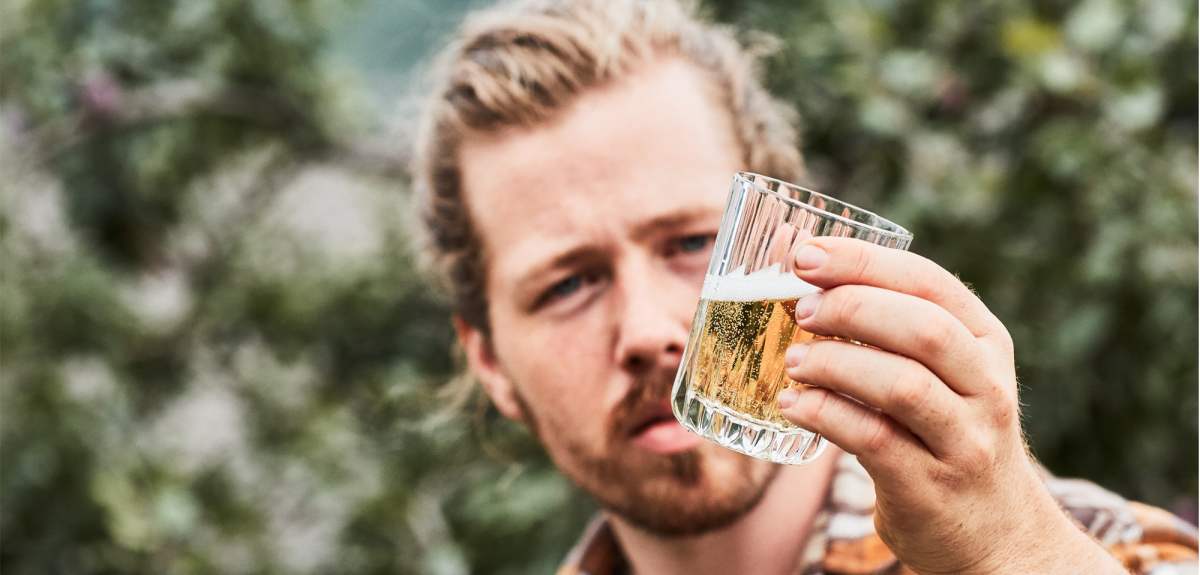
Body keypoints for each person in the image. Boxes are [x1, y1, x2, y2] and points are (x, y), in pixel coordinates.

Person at [408, 1, 1199, 573]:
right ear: (489, 363)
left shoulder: (1095, 548)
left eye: (692, 241)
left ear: (795, 242)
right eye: (568, 284)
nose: (647, 328)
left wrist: (1015, 552)